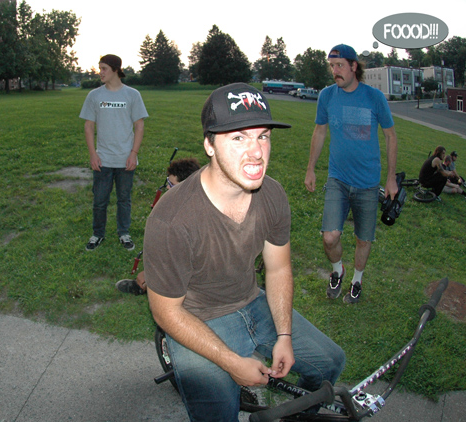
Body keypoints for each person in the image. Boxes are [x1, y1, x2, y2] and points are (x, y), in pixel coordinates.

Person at [145, 83, 345, 421]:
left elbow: (278, 269)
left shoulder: (272, 195)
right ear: (209, 144)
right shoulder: (172, 220)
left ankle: (300, 413)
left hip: (252, 300)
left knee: (330, 362)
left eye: (262, 136)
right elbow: (167, 314)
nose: (256, 152)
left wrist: (284, 335)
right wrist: (232, 363)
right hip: (196, 317)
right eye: (238, 138)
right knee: (219, 410)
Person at [304, 44, 398, 305]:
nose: (335, 71)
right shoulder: (327, 96)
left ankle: (356, 280)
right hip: (338, 179)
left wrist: (391, 178)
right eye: (331, 66)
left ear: (354, 66)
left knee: (363, 239)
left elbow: (390, 136)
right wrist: (311, 168)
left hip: (368, 183)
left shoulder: (374, 97)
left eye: (340, 66)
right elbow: (319, 131)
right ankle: (338, 272)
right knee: (330, 236)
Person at [79, 54, 149, 252]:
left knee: (124, 199)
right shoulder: (94, 96)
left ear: (115, 70)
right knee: (100, 200)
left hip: (125, 159)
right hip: (103, 159)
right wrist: (93, 154)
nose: (100, 72)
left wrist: (133, 153)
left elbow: (139, 126)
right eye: (99, 68)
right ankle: (97, 234)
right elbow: (88, 127)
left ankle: (123, 232)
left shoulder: (132, 95)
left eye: (103, 69)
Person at [116, 157, 201, 295]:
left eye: (172, 185)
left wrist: (150, 275)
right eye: (168, 182)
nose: (167, 187)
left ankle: (150, 288)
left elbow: (177, 259)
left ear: (187, 186)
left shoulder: (190, 217)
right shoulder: (184, 201)